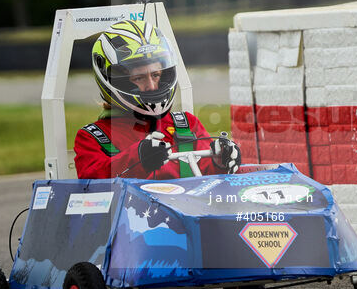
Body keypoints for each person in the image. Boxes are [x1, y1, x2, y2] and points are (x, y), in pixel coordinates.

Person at [74, 19, 241, 179]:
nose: (152, 86)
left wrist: (220, 162)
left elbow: (208, 181)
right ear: (115, 80)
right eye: (139, 78)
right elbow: (92, 184)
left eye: (156, 75)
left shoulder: (186, 126)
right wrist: (138, 159)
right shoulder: (92, 138)